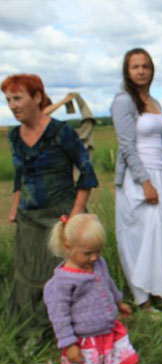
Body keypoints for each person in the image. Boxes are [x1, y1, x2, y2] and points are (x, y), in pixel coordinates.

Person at [2, 74, 98, 334]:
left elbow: (86, 173)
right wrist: (14, 206)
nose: (12, 105)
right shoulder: (14, 136)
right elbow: (21, 175)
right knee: (28, 276)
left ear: (36, 97)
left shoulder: (60, 132)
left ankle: (74, 331)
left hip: (62, 217)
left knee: (65, 277)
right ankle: (34, 331)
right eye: (8, 99)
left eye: (18, 98)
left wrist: (75, 216)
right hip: (29, 218)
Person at [43, 213, 157, 364]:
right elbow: (59, 316)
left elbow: (107, 283)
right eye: (88, 253)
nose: (95, 257)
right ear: (68, 247)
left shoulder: (98, 264)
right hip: (84, 340)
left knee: (132, 361)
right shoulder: (63, 282)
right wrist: (69, 344)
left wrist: (118, 301)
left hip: (111, 331)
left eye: (98, 251)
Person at [111, 48, 162, 311]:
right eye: (135, 66)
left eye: (145, 66)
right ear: (127, 71)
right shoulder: (124, 101)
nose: (141, 71)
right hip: (139, 179)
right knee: (140, 239)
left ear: (151, 70)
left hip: (161, 177)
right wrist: (145, 182)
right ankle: (143, 300)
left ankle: (160, 295)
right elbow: (126, 146)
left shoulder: (154, 101)